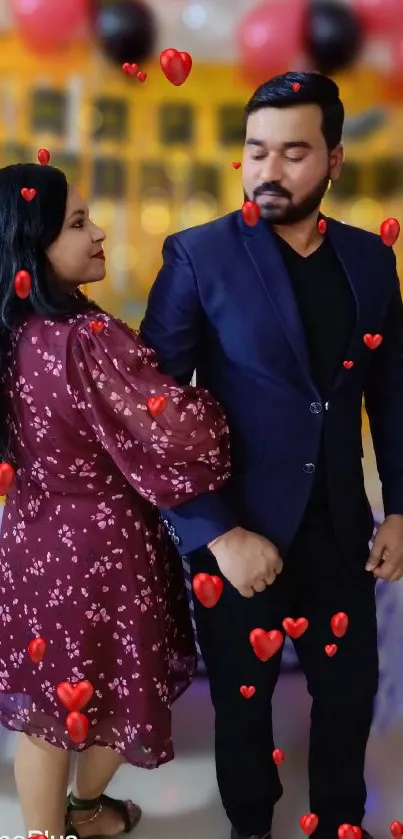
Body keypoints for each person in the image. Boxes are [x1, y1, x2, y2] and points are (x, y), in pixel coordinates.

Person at [140, 71, 403, 839]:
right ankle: (249, 826)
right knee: (241, 706)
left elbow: (389, 391)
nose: (269, 170)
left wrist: (398, 507)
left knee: (349, 696)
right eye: (256, 151)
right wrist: (215, 532)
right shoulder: (198, 256)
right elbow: (153, 413)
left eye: (293, 152)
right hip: (237, 530)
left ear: (334, 161)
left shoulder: (366, 261)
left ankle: (340, 824)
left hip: (340, 529)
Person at [0, 162, 231, 839]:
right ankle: (84, 810)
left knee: (48, 708)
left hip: (31, 537)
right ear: (30, 248)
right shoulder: (86, 339)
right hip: (103, 547)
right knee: (117, 686)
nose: (98, 233)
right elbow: (179, 432)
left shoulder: (12, 333)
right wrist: (225, 399)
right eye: (76, 223)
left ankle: (50, 828)